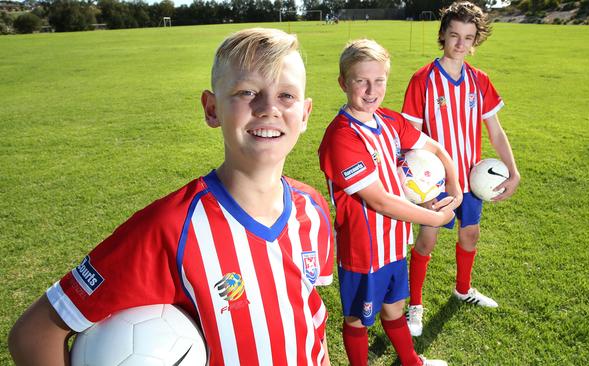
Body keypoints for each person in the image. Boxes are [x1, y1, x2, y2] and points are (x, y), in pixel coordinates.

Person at [9, 28, 334, 366]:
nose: (268, 108)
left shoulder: (311, 208)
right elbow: (34, 334)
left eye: (287, 96)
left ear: (306, 113)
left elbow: (309, 316)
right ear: (211, 109)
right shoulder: (170, 227)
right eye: (247, 92)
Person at [319, 39, 463, 366]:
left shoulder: (390, 121)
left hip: (395, 242)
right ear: (343, 83)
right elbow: (380, 201)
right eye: (361, 81)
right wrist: (433, 218)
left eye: (379, 80)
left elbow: (437, 150)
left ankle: (412, 362)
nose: (372, 90)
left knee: (394, 308)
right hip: (364, 250)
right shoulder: (341, 136)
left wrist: (453, 186)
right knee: (359, 318)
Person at [401, 1, 521, 337]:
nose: (460, 43)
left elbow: (495, 130)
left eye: (468, 37)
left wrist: (513, 171)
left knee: (470, 235)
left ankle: (463, 288)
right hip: (434, 182)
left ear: (476, 40)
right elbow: (408, 136)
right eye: (454, 35)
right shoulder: (422, 80)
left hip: (471, 178)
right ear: (442, 35)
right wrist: (410, 184)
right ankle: (415, 306)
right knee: (426, 241)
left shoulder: (480, 81)